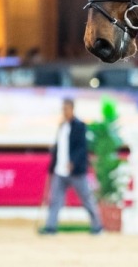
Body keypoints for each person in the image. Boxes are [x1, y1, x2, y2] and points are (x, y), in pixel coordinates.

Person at [40, 98, 103, 235]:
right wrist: (52, 168)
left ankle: (97, 226)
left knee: (86, 198)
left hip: (76, 172)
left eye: (66, 109)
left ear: (72, 109)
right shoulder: (62, 126)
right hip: (59, 171)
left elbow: (82, 148)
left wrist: (73, 162)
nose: (64, 111)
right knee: (55, 200)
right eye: (63, 109)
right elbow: (58, 148)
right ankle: (51, 226)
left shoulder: (79, 125)